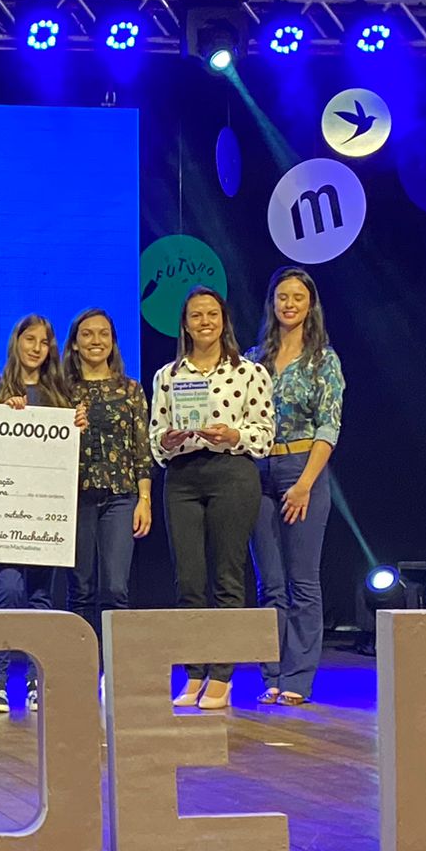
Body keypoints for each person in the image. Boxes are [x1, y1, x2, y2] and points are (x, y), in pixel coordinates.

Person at [150, 287, 272, 711]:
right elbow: (155, 437)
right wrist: (168, 440)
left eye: (212, 314)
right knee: (188, 580)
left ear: (224, 321)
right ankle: (194, 671)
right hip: (182, 477)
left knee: (227, 577)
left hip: (231, 473)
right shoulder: (168, 376)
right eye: (196, 315)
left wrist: (233, 433)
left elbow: (264, 435)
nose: (205, 321)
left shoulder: (249, 372)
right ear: (185, 324)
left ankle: (222, 675)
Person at [247, 267, 344, 707]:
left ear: (310, 305)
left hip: (304, 468)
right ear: (272, 303)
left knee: (302, 582)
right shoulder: (254, 359)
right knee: (269, 583)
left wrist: (305, 483)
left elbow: (329, 426)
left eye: (297, 297)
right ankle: (271, 674)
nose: (289, 304)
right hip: (257, 469)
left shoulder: (323, 360)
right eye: (282, 296)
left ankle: (298, 679)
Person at [0, 314, 86, 712]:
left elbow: (70, 456)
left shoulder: (61, 396)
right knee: (8, 588)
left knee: (42, 595)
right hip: (4, 512)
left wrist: (77, 428)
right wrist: (2, 416)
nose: (36, 348)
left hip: (47, 511)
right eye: (30, 339)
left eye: (44, 341)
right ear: (16, 342)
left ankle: (35, 679)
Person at [62, 307, 153, 686]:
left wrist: (144, 499)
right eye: (87, 334)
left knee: (115, 588)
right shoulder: (61, 390)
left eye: (103, 333)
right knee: (80, 589)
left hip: (121, 496)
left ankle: (115, 673)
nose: (95, 341)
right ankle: (81, 670)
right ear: (74, 343)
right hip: (76, 497)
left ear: (113, 341)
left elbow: (142, 448)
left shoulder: (131, 389)